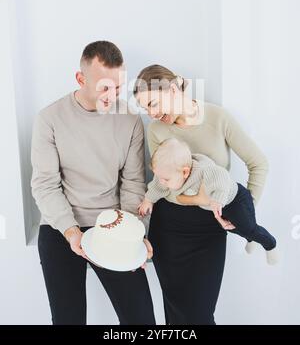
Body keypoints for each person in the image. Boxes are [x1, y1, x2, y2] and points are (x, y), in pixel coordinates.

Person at [133, 64, 269, 324]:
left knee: (200, 315)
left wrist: (244, 214)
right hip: (170, 230)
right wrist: (200, 200)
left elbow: (258, 163)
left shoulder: (218, 118)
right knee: (176, 313)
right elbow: (165, 188)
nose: (151, 114)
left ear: (172, 89)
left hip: (210, 230)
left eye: (152, 103)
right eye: (145, 109)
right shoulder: (156, 130)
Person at [31, 41, 155, 325]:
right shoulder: (49, 119)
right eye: (104, 87)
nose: (112, 96)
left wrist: (135, 233)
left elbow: (134, 183)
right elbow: (45, 185)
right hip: (61, 227)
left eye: (118, 87)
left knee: (142, 321)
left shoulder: (130, 120)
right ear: (80, 79)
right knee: (68, 320)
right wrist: (73, 232)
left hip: (113, 224)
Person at [138, 138, 277, 265]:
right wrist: (148, 199)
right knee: (232, 228)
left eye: (166, 179)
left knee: (248, 227)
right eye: (159, 177)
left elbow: (222, 176)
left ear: (185, 172)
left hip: (235, 200)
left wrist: (217, 200)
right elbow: (158, 185)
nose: (161, 182)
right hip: (216, 208)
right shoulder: (169, 174)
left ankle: (270, 244)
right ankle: (249, 238)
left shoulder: (204, 171)